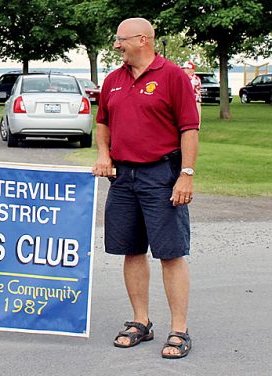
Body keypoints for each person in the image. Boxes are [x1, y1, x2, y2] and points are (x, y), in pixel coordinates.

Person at [92, 18, 199, 359]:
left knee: (170, 252)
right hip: (123, 179)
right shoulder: (113, 80)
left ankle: (179, 329)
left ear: (142, 40)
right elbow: (103, 123)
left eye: (120, 40)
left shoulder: (172, 76)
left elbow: (189, 128)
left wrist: (186, 173)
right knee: (131, 249)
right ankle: (141, 322)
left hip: (161, 174)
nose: (116, 46)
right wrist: (103, 154)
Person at [181, 61, 202, 125]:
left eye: (185, 68)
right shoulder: (187, 78)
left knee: (194, 123)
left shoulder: (194, 79)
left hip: (194, 103)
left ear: (190, 69)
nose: (183, 70)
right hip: (188, 103)